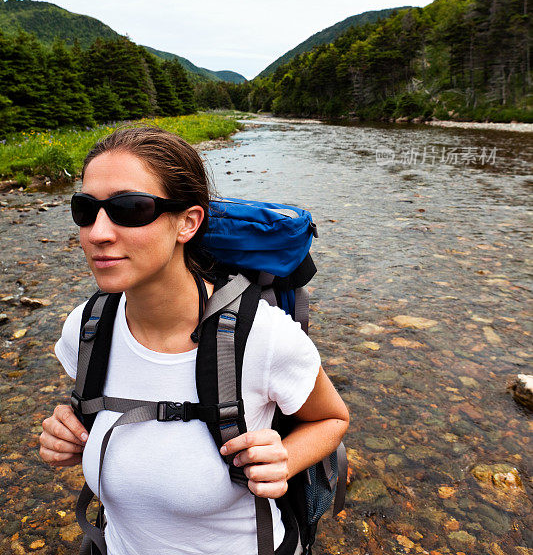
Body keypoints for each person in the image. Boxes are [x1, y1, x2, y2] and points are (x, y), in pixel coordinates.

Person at [39, 126, 349, 555]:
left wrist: (287, 458)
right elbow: (98, 414)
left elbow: (331, 420)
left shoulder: (263, 336)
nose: (98, 232)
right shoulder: (86, 329)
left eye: (130, 208)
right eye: (85, 209)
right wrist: (68, 433)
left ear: (188, 221)